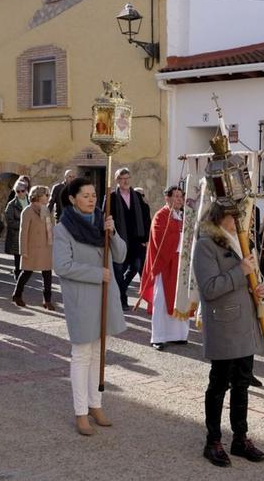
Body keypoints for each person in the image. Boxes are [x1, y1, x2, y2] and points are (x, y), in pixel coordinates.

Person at [193, 202, 264, 468]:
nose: (238, 221)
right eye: (232, 217)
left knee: (242, 384)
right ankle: (212, 440)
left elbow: (253, 278)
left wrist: (259, 289)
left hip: (245, 325)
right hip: (224, 326)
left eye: (240, 216)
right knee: (219, 385)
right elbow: (210, 288)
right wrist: (241, 272)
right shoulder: (205, 245)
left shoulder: (241, 241)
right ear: (219, 217)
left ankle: (240, 437)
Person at [53, 177, 126, 436]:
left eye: (93, 194)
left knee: (98, 354)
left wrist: (113, 232)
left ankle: (96, 405)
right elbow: (62, 266)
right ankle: (81, 411)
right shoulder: (63, 228)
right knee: (81, 355)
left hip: (104, 297)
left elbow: (120, 255)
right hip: (83, 299)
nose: (91, 199)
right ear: (72, 199)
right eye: (85, 195)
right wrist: (97, 274)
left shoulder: (101, 221)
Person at [138, 186, 187, 351]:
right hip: (165, 264)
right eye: (176, 196)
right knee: (162, 301)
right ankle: (158, 337)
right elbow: (159, 240)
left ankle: (178, 335)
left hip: (180, 264)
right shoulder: (161, 216)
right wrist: (179, 235)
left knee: (180, 298)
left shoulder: (183, 216)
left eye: (181, 197)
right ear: (167, 198)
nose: (179, 200)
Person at [109, 168, 151, 312]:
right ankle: (122, 300)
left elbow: (146, 217)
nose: (126, 181)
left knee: (137, 267)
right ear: (117, 181)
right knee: (119, 272)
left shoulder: (137, 196)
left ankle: (123, 291)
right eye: (122, 178)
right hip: (119, 241)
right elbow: (106, 217)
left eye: (127, 178)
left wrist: (146, 238)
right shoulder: (111, 198)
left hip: (136, 241)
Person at [12, 185, 55, 310]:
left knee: (47, 274)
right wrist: (23, 250)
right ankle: (17, 294)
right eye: (46, 195)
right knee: (26, 272)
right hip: (31, 248)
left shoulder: (46, 209)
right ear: (38, 196)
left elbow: (50, 228)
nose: (48, 197)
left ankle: (47, 300)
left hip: (46, 247)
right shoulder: (27, 211)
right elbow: (23, 232)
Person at [4, 182, 28, 279]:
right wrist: (24, 225)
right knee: (18, 255)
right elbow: (10, 221)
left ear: (26, 191)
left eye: (22, 191)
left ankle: (26, 271)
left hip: (30, 233)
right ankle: (18, 273)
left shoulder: (32, 202)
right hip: (16, 234)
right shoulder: (11, 204)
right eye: (17, 191)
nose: (20, 193)